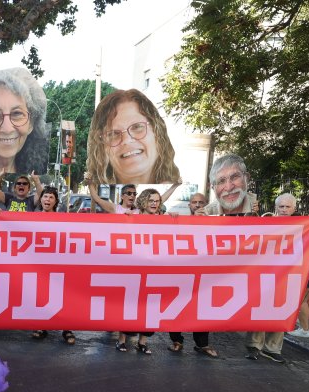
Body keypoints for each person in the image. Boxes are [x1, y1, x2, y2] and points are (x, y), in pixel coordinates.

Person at [87, 89, 181, 185]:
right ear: (101, 147)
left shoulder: (182, 197)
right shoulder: (96, 198)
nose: (127, 140)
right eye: (113, 133)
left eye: (137, 127)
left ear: (158, 132)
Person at [114, 188, 168, 354]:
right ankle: (121, 340)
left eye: (157, 201)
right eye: (151, 200)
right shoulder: (132, 216)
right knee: (131, 304)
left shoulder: (163, 220)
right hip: (134, 268)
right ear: (144, 201)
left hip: (155, 270)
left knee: (151, 306)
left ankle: (142, 342)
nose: (154, 204)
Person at [271, 194, 309, 338]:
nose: (284, 210)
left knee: (300, 300)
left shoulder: (308, 223)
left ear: (294, 208)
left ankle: (305, 328)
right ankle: (304, 322)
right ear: (276, 208)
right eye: (281, 206)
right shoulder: (306, 222)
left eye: (287, 207)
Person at [167, 192, 219, 357]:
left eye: (201, 202)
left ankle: (202, 344)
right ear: (189, 205)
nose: (197, 205)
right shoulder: (180, 221)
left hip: (203, 274)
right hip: (181, 273)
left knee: (202, 307)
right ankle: (177, 340)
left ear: (206, 204)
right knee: (176, 306)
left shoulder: (215, 223)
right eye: (194, 202)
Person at [30, 185, 76, 344]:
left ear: (55, 201)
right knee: (42, 294)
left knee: (63, 295)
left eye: (50, 197)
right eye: (45, 196)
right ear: (40, 199)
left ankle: (67, 328)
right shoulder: (32, 217)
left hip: (60, 264)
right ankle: (41, 326)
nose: (47, 200)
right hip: (40, 264)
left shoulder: (64, 219)